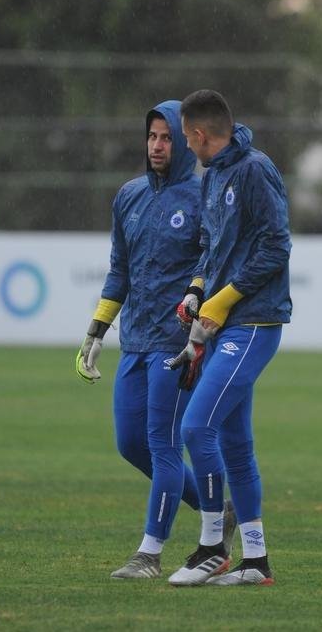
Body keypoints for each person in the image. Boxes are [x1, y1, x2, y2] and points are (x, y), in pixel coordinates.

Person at [75, 99, 236, 579]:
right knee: (131, 444)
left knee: (164, 446)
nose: (158, 146)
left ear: (183, 142)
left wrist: (197, 316)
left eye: (167, 137)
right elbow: (119, 270)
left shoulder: (202, 195)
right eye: (152, 137)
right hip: (135, 342)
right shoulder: (128, 195)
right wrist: (96, 331)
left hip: (177, 345)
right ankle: (221, 510)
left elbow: (212, 262)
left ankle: (149, 553)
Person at [167, 89, 292, 587]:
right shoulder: (211, 175)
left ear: (199, 134)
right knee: (237, 443)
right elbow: (210, 247)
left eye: (184, 137)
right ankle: (256, 562)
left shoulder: (256, 169)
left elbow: (276, 247)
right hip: (223, 323)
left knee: (197, 428)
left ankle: (212, 546)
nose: (184, 146)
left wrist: (223, 301)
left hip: (254, 322)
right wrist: (198, 290)